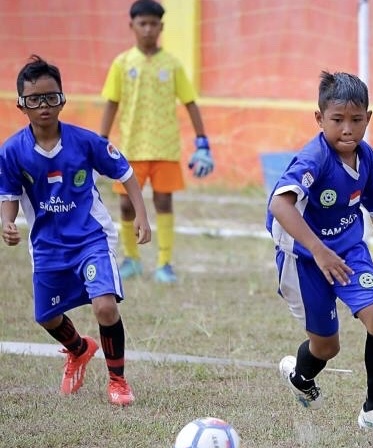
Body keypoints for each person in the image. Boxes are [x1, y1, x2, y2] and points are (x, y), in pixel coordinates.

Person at [0, 55, 151, 406]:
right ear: (21, 105)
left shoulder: (85, 142)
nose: (44, 106)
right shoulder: (11, 152)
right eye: (35, 99)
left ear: (62, 99)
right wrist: (7, 222)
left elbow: (124, 171)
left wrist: (140, 215)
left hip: (91, 239)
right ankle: (79, 349)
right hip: (47, 246)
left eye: (51, 97)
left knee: (105, 307)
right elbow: (8, 194)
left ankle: (118, 381)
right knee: (47, 316)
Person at [267, 71, 373, 444]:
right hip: (303, 258)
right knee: (327, 346)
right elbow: (279, 204)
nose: (348, 129)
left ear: (368, 118)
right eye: (337, 119)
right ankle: (301, 376)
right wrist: (318, 249)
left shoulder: (368, 157)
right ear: (319, 119)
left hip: (348, 251)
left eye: (356, 119)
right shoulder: (314, 157)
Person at [99, 0, 214, 283]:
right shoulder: (122, 63)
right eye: (142, 24)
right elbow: (112, 103)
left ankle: (164, 263)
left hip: (165, 148)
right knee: (126, 205)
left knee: (164, 201)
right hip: (131, 148)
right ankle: (132, 259)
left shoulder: (172, 64)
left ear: (161, 27)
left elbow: (190, 103)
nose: (148, 29)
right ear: (132, 26)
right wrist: (100, 141)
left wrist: (202, 140)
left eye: (153, 24)